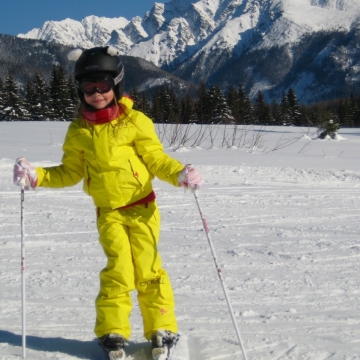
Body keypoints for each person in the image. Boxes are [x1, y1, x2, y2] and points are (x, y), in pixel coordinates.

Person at [13, 46, 202, 359]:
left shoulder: (136, 122)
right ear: (80, 89)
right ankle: (112, 330)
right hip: (109, 212)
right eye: (89, 86)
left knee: (147, 268)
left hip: (143, 208)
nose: (97, 92)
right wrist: (37, 176)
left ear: (116, 84)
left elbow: (156, 159)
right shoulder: (78, 132)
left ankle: (162, 326)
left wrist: (180, 173)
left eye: (103, 84)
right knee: (119, 269)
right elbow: (69, 172)